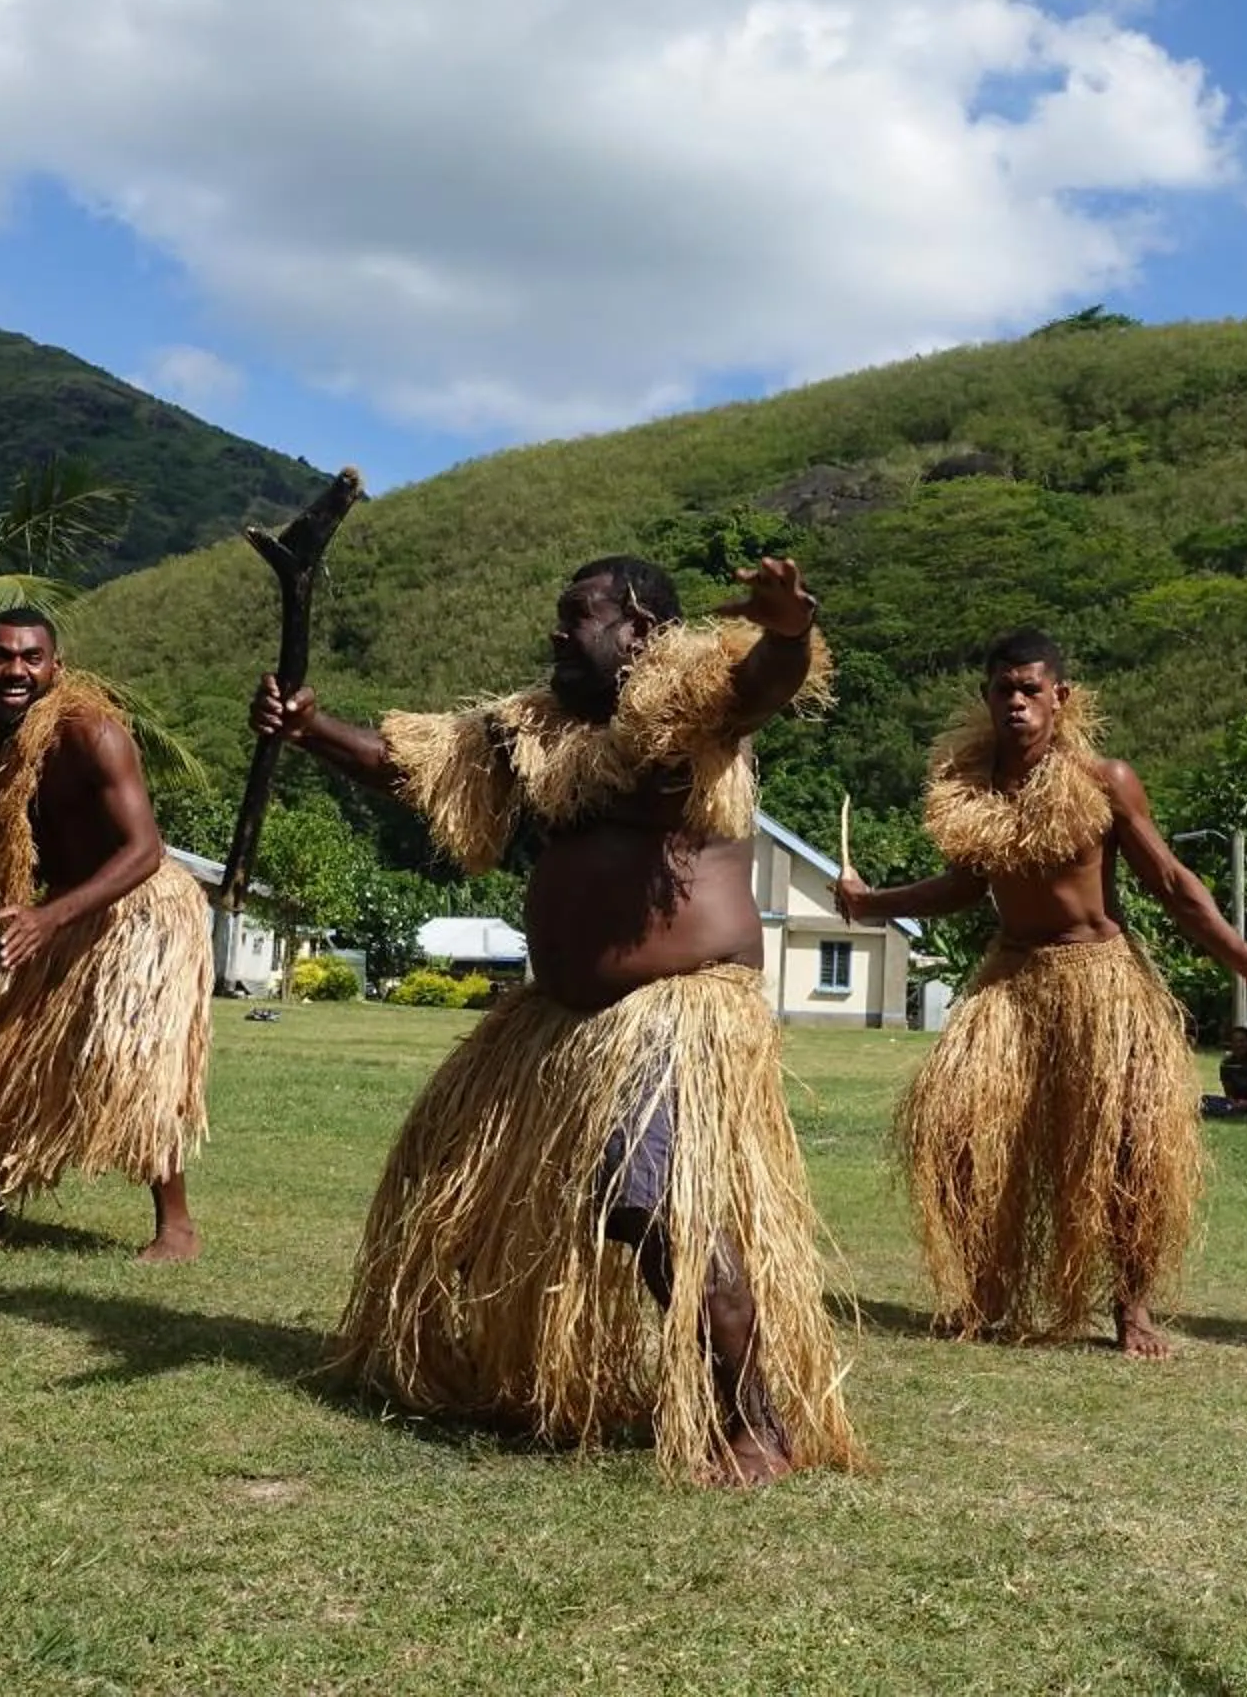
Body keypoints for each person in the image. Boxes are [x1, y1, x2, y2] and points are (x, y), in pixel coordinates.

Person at [251, 554, 858, 1486]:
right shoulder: (531, 728)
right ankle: (502, 1372)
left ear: (642, 630)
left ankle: (755, 1421)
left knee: (655, 1202)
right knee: (452, 1183)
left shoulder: (692, 700)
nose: (557, 632)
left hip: (679, 1010)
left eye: (580, 616)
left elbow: (760, 687)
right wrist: (311, 730)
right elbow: (420, 772)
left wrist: (786, 633)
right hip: (559, 1023)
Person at [834, 629, 1247, 1358]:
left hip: (1102, 978)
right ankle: (986, 1291)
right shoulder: (971, 790)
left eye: (1032, 689)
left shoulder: (1104, 780)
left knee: (1128, 1144)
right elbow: (969, 886)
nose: (1018, 703)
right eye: (1005, 689)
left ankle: (1132, 1310)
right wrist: (872, 904)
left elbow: (1170, 881)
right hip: (1012, 977)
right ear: (987, 697)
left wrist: (1245, 958)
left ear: (1061, 697)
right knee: (954, 1127)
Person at [0, 609, 211, 1262]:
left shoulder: (92, 732)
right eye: (3, 657)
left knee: (132, 1061)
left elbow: (144, 850)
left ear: (56, 666)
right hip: (52, 914)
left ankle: (177, 1226)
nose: (16, 670)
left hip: (138, 912)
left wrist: (47, 919)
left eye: (31, 657)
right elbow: (7, 881)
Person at [1207, 1024, 1247, 1119]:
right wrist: (1234, 1103)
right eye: (1234, 1042)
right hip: (1236, 1103)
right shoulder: (1226, 1064)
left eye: (1242, 1041)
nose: (1238, 1045)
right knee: (1205, 1101)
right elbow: (1228, 1093)